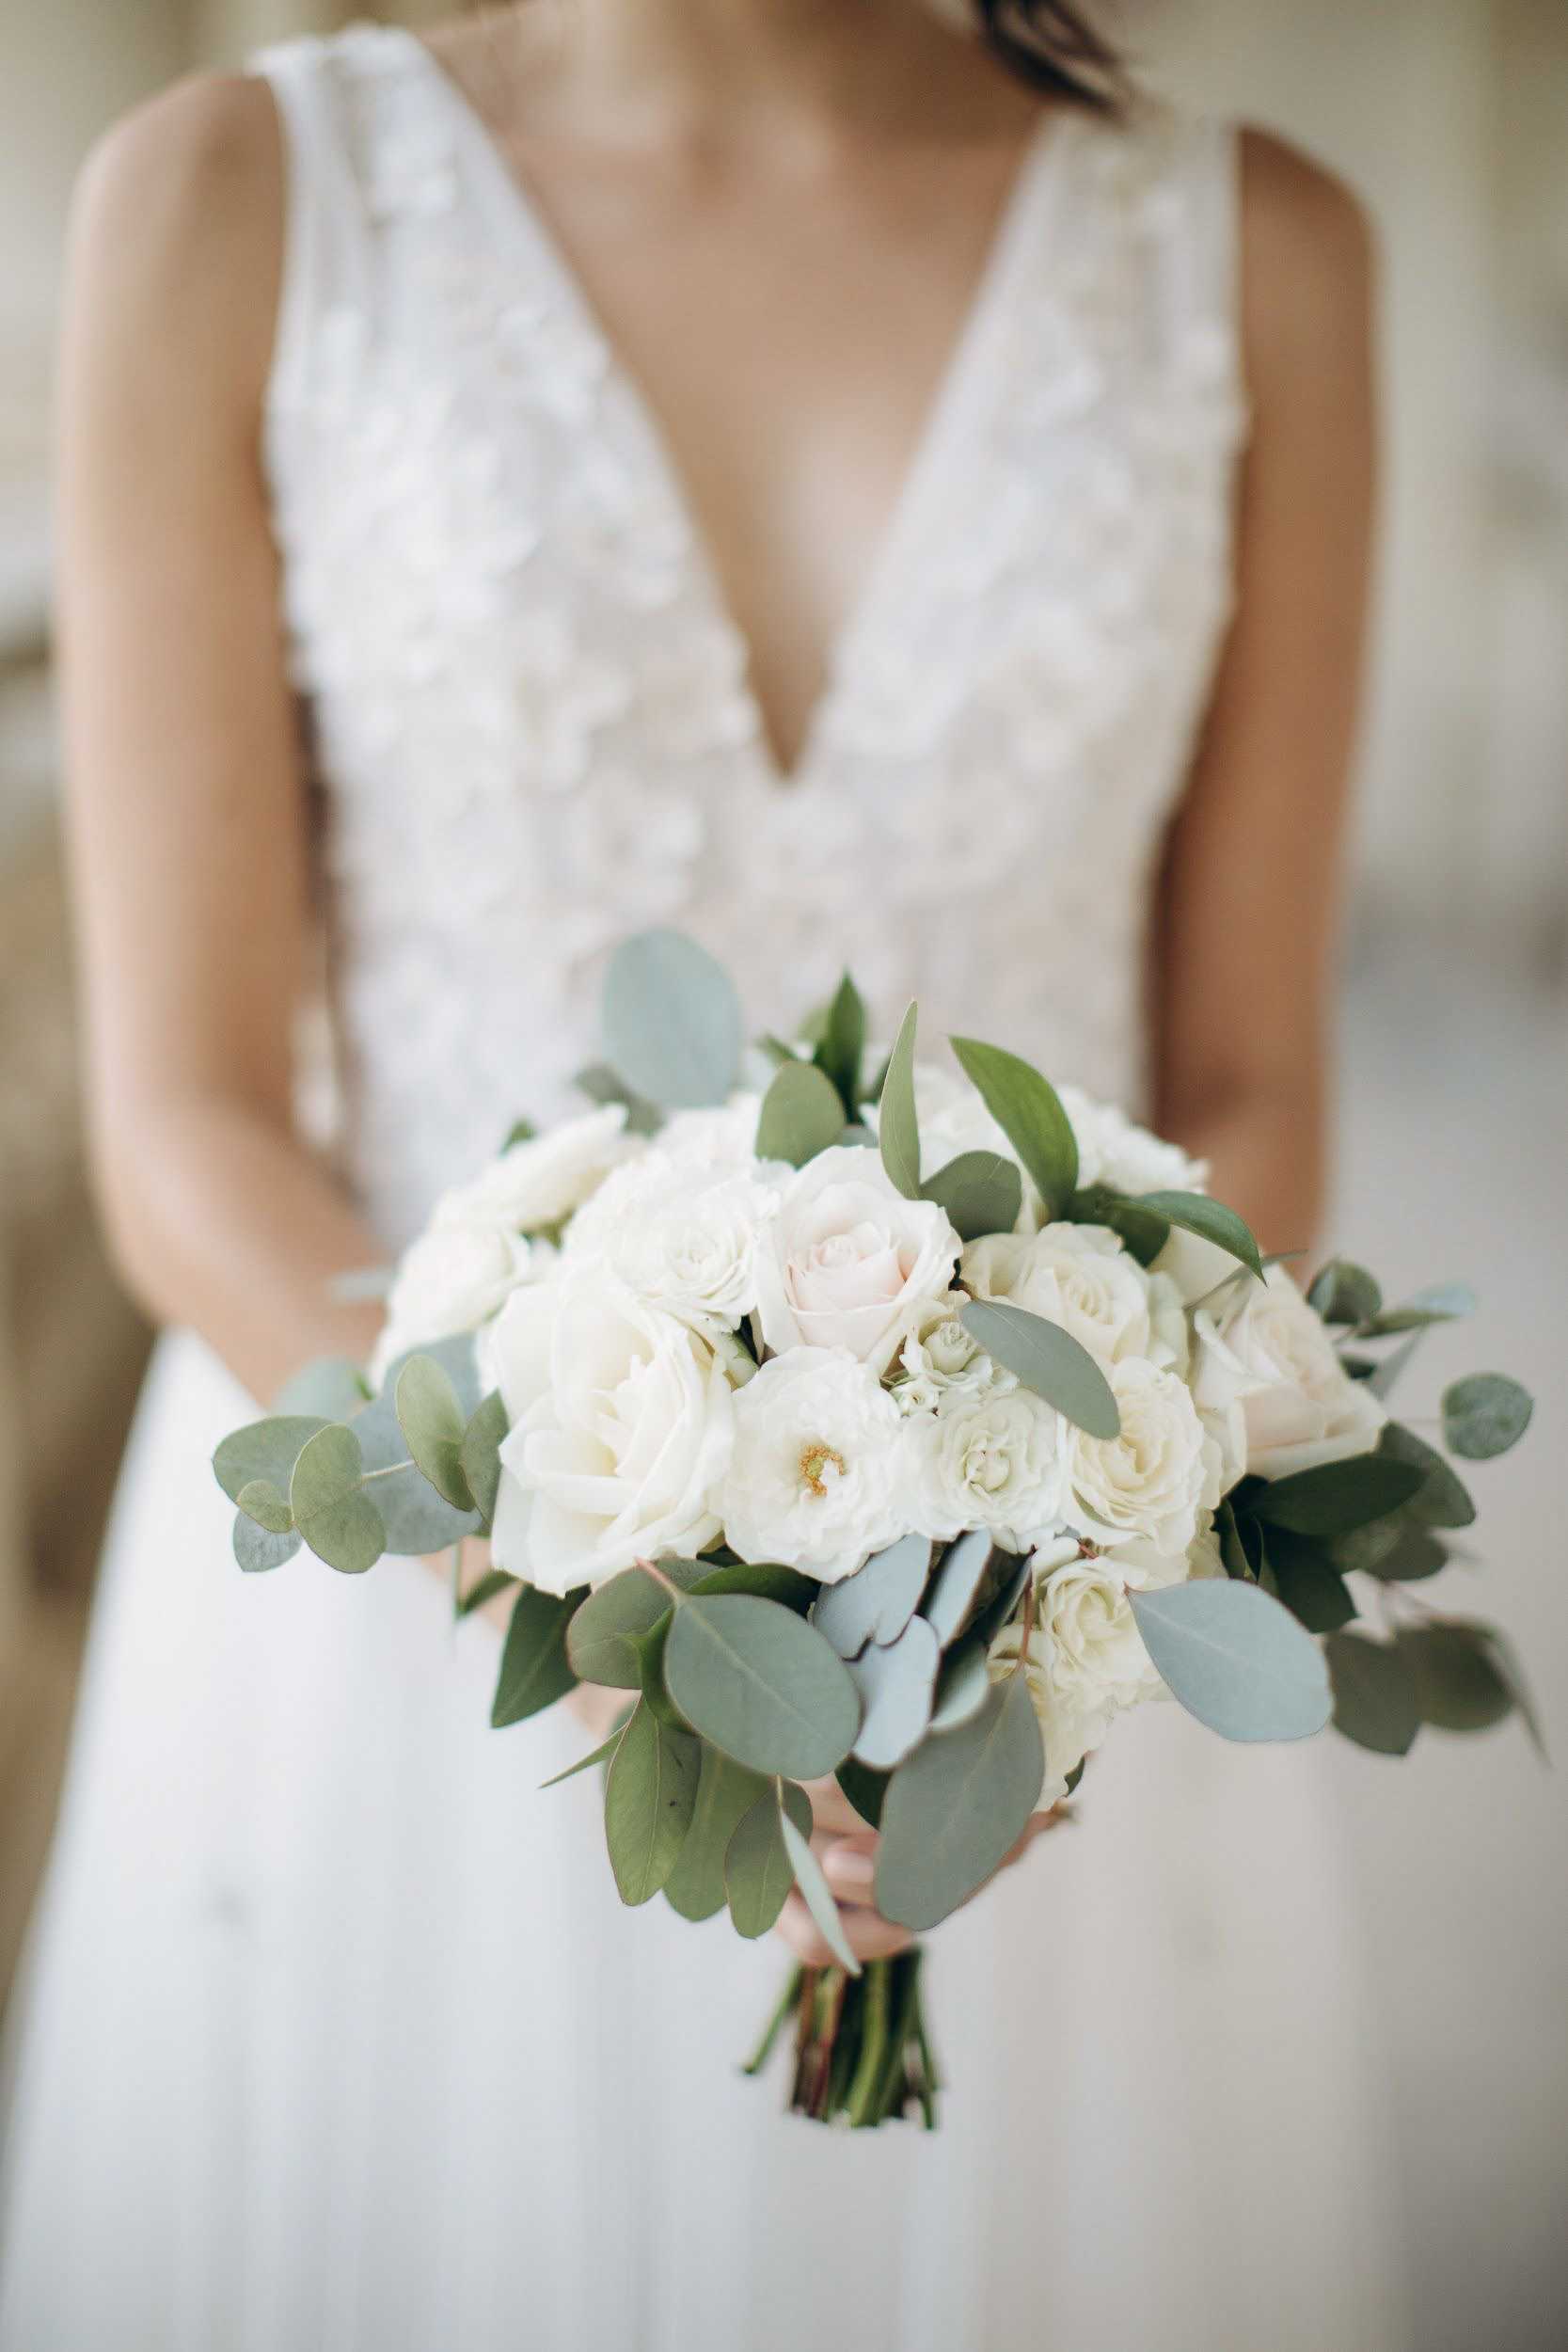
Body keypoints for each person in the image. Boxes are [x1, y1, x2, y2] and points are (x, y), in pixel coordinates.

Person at [1, 5, 1402, 2345]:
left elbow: (1253, 1079)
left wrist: (999, 1614)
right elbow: (188, 1126)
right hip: (409, 1643)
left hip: (1027, 1666)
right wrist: (643, 1629)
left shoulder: (1260, 257)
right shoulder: (227, 207)